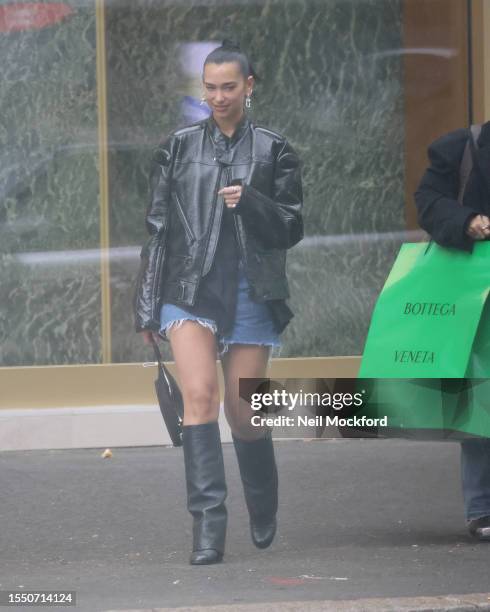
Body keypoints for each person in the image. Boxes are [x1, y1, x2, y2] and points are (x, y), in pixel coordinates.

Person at [133, 39, 304, 564]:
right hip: (189, 291)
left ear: (248, 87)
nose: (218, 97)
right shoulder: (179, 146)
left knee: (246, 411)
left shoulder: (275, 150)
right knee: (200, 397)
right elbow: (157, 229)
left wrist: (249, 200)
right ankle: (208, 527)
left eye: (228, 86)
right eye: (209, 88)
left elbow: (292, 228)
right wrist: (146, 304)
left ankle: (263, 501)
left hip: (253, 290)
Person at [415, 122, 490, 541]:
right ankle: (482, 507)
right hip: (475, 290)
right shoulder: (464, 146)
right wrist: (466, 222)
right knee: (481, 392)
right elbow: (428, 201)